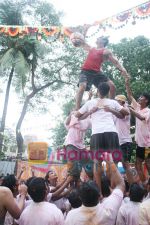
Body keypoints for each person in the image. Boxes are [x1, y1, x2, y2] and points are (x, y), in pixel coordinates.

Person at [75, 82, 129, 188]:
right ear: (108, 92)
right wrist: (111, 110)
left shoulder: (91, 103)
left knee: (97, 162)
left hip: (97, 134)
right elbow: (125, 113)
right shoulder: (112, 102)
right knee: (112, 161)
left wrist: (90, 111)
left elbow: (78, 115)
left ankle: (99, 192)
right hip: (111, 133)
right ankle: (113, 188)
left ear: (97, 91)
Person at [65, 153, 125, 225]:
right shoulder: (108, 211)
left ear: (80, 198)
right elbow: (121, 184)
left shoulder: (71, 216)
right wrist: (110, 162)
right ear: (99, 195)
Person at [75, 36, 129, 110]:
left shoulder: (106, 51)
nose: (97, 38)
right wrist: (77, 40)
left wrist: (123, 70)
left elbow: (115, 62)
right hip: (85, 71)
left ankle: (111, 107)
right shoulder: (92, 48)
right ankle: (77, 109)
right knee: (82, 86)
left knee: (112, 86)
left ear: (103, 41)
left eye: (99, 37)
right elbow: (82, 43)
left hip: (97, 73)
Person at [125, 76, 150, 183]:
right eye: (139, 97)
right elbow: (130, 96)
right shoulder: (138, 107)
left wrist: (130, 110)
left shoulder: (148, 111)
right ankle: (145, 185)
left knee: (148, 164)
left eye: (141, 97)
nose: (139, 98)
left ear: (146, 100)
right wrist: (127, 83)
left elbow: (141, 117)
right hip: (140, 144)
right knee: (137, 164)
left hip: (147, 144)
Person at [64, 110, 93, 181]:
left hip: (81, 147)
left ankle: (93, 182)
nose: (75, 112)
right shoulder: (71, 119)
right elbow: (67, 122)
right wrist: (72, 113)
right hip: (71, 144)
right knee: (74, 168)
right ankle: (72, 186)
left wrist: (90, 111)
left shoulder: (87, 120)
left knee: (90, 166)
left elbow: (93, 121)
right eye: (73, 111)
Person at [114, 95, 132, 169]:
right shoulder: (115, 111)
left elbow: (121, 115)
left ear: (122, 102)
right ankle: (119, 180)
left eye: (116, 101)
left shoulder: (126, 109)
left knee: (125, 164)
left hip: (124, 141)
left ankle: (130, 180)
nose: (114, 103)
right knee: (114, 163)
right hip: (117, 142)